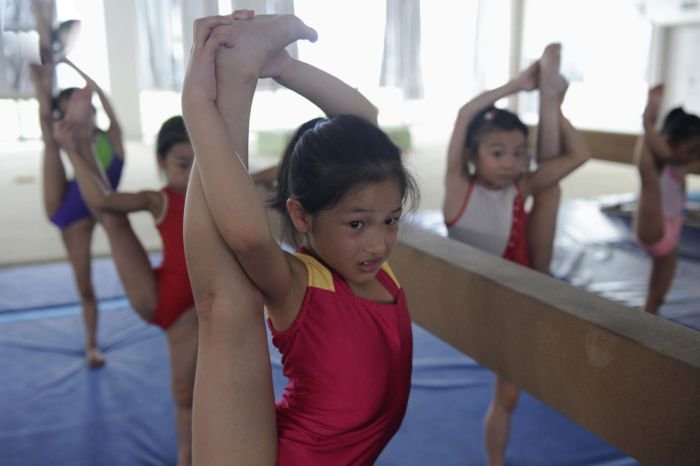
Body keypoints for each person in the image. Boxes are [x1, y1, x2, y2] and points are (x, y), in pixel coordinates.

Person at [181, 11, 418, 465]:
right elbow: (249, 238)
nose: (378, 243)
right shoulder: (299, 284)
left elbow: (364, 125)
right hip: (292, 458)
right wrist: (197, 108)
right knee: (223, 303)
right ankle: (226, 87)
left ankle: (245, 66)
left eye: (391, 220)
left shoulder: (372, 268)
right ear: (302, 217)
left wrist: (284, 66)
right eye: (357, 224)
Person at [442, 47, 591, 466]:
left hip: (530, 282)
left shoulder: (518, 187)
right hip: (494, 303)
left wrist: (554, 106)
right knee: (506, 394)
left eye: (518, 153)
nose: (510, 163)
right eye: (498, 153)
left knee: (552, 188)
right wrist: (516, 85)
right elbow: (464, 115)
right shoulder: (459, 189)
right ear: (473, 156)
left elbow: (579, 156)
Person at [52, 104, 197, 466]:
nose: (193, 173)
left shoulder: (216, 192)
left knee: (184, 391)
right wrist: (71, 149)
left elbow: (267, 176)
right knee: (110, 214)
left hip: (189, 312)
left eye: (201, 163)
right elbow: (102, 200)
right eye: (183, 163)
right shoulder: (159, 198)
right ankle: (81, 144)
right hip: (154, 296)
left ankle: (186, 455)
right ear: (161, 162)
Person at [29, 0, 124, 368]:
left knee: (55, 133)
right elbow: (51, 118)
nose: (75, 111)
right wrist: (47, 82)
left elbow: (99, 93)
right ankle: (91, 345)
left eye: (79, 104)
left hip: (102, 204)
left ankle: (42, 30)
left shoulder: (111, 137)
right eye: (68, 107)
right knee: (85, 286)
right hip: (71, 210)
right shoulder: (64, 134)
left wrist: (70, 63)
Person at [633, 84, 700, 314]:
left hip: (671, 228)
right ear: (671, 140)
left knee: (660, 288)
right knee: (648, 180)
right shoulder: (664, 158)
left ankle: (651, 310)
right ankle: (645, 119)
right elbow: (661, 150)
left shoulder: (679, 163)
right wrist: (648, 122)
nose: (694, 156)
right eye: (690, 149)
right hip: (653, 225)